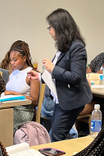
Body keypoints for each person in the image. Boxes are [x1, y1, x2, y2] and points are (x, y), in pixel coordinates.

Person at [28, 8, 92, 142]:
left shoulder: (77, 47)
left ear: (60, 27)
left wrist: (53, 68)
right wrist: (39, 77)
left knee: (56, 136)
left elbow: (76, 77)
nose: (49, 31)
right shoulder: (65, 47)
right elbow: (56, 74)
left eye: (51, 27)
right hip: (60, 99)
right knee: (59, 135)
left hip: (72, 99)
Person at [4, 41, 40, 132]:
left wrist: (13, 94)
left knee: (3, 120)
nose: (12, 63)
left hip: (24, 111)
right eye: (11, 60)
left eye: (15, 60)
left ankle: (5, 145)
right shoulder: (13, 72)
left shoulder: (31, 74)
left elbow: (34, 100)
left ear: (24, 58)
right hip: (10, 106)